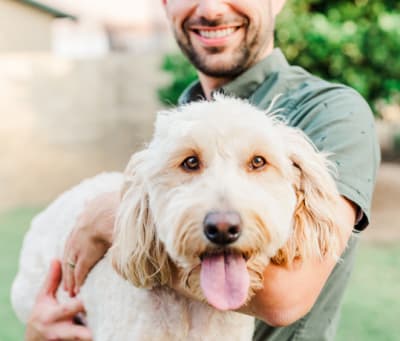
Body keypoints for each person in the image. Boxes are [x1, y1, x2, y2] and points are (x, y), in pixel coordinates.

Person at [25, 0, 380, 340]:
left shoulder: (332, 111)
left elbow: (286, 298)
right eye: (191, 164)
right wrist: (40, 329)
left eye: (257, 163)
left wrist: (113, 220)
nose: (211, 8)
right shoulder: (173, 130)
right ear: (165, 3)